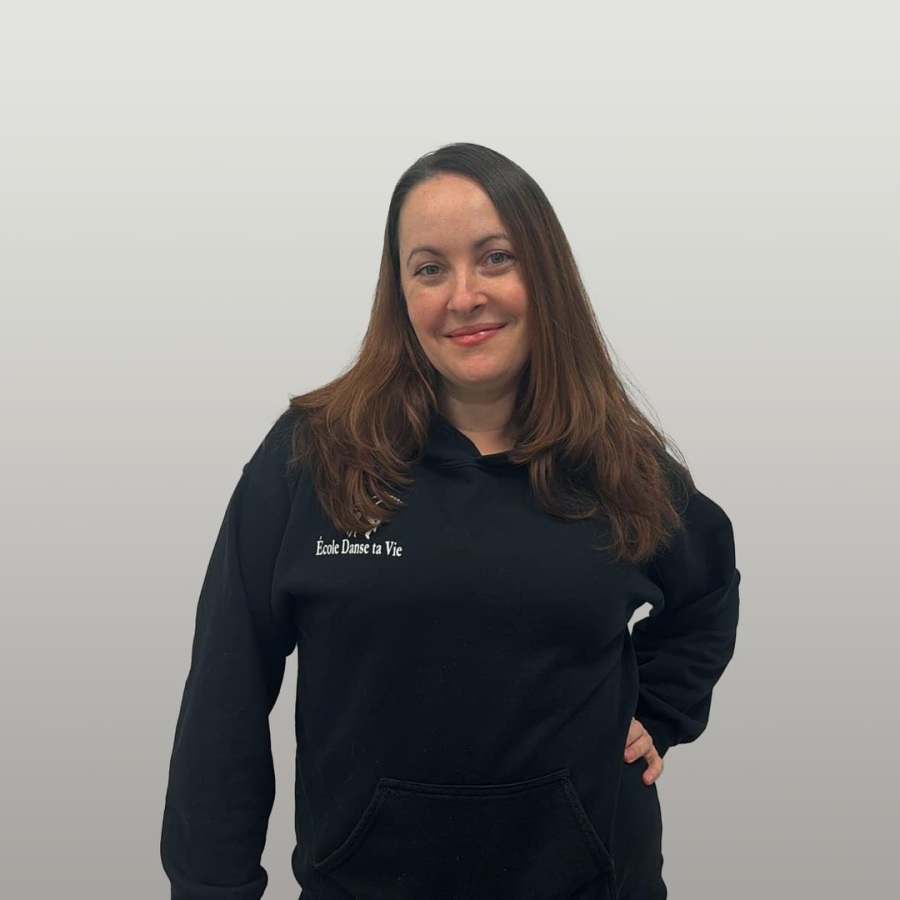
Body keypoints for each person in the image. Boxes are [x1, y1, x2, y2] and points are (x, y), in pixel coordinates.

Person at [160, 142, 740, 900]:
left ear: (545, 273)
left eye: (496, 258)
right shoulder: (314, 456)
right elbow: (225, 693)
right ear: (400, 293)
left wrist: (658, 710)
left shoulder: (617, 462)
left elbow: (705, 594)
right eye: (430, 268)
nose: (464, 297)